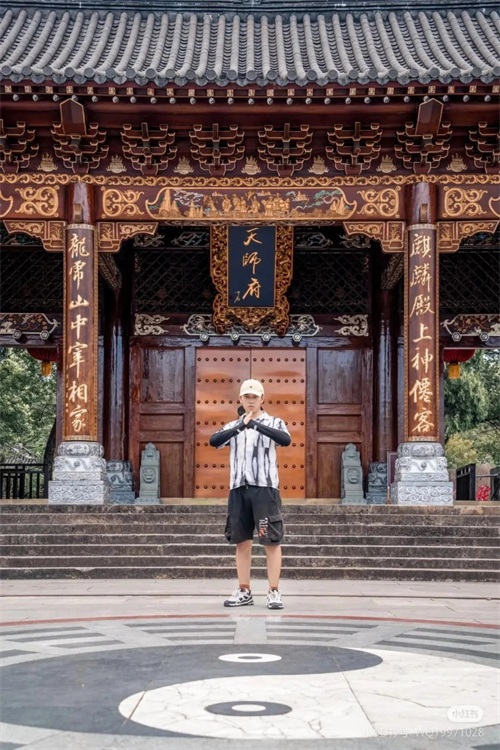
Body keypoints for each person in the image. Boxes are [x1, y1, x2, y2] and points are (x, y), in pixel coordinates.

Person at [209, 379, 291, 609]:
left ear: (262, 398)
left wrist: (254, 425)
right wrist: (241, 426)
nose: (251, 400)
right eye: (247, 397)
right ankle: (244, 590)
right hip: (239, 490)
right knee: (242, 541)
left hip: (264, 490)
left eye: (255, 397)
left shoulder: (274, 422)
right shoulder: (233, 426)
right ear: (240, 399)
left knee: (270, 540)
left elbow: (285, 439)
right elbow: (214, 441)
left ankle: (273, 591)